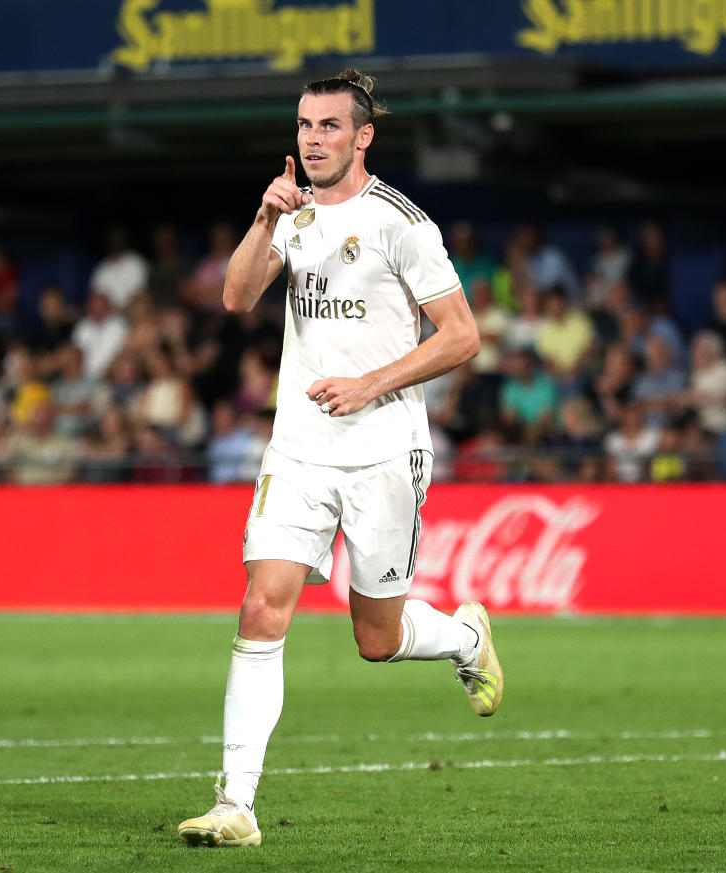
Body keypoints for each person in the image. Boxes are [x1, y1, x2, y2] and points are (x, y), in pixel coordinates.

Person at [177, 69, 501, 849]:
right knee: (262, 603)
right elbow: (234, 297)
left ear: (362, 138)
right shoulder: (289, 213)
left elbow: (461, 336)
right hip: (299, 447)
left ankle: (465, 637)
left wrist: (370, 384)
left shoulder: (402, 224)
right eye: (303, 125)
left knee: (376, 639)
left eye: (328, 126)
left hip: (386, 449)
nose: (312, 139)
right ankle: (236, 804)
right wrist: (262, 218)